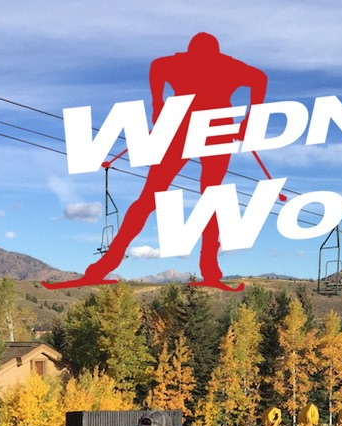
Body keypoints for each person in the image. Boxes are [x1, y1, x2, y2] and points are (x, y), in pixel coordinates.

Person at [44, 33, 268, 291]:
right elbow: (258, 79)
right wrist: (251, 118)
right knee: (192, 196)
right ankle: (207, 267)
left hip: (195, 130)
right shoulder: (225, 66)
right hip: (203, 130)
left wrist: (158, 106)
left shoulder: (185, 64)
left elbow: (158, 66)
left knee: (163, 196)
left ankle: (112, 263)